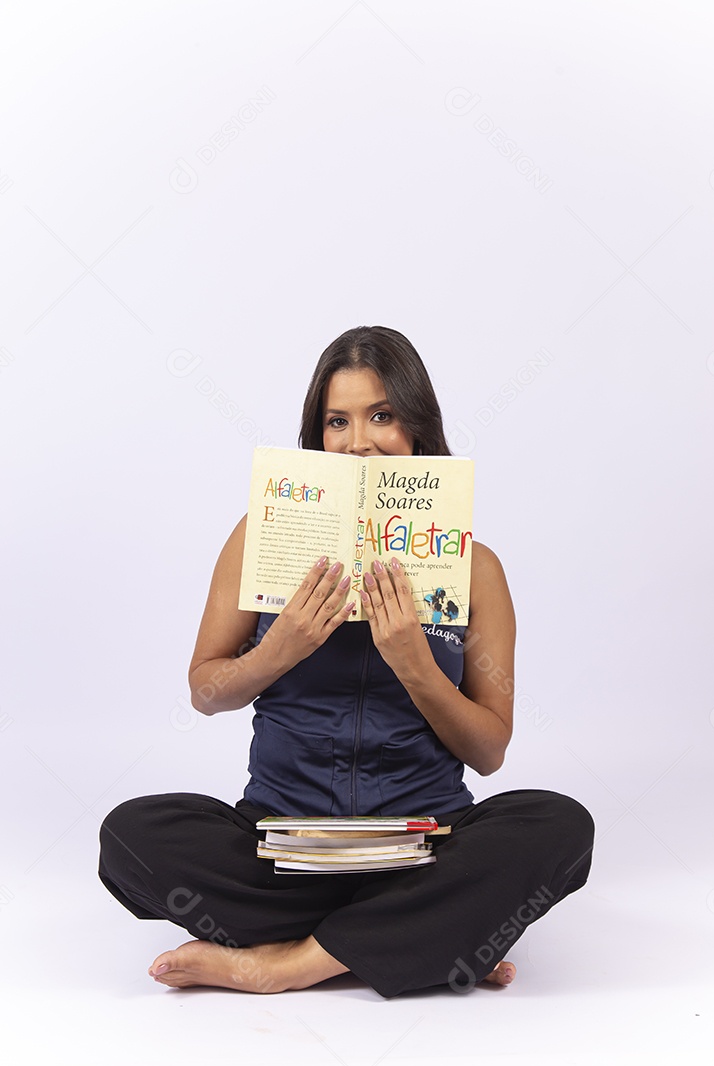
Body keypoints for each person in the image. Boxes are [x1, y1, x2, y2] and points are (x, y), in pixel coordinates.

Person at [98, 326, 594, 998]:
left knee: (560, 827)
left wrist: (414, 663)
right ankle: (425, 940)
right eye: (338, 421)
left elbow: (489, 751)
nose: (359, 441)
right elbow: (205, 691)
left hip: (424, 847)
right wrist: (278, 651)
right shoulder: (259, 537)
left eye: (382, 415)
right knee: (129, 835)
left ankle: (289, 963)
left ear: (418, 427)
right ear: (317, 436)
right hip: (280, 841)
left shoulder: (475, 569)